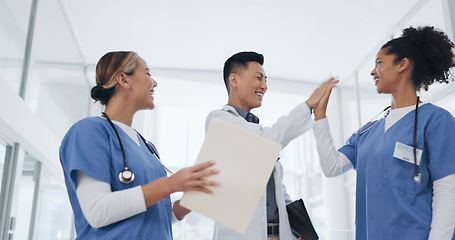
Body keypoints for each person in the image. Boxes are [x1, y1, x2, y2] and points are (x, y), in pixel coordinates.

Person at [313, 26, 455, 239]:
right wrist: (320, 116)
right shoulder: (369, 132)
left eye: (378, 62)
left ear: (402, 64)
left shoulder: (436, 120)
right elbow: (332, 167)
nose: (372, 71)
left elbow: (447, 190)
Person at [59, 51, 219, 239]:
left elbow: (152, 215)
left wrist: (189, 201)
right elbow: (97, 211)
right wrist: (170, 184)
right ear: (124, 80)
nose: (155, 83)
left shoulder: (148, 147)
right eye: (148, 74)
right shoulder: (89, 131)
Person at [206, 51, 338, 240]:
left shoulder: (254, 129)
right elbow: (267, 139)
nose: (264, 86)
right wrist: (309, 105)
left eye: (265, 80)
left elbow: (276, 192)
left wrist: (299, 232)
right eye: (258, 78)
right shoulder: (218, 120)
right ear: (234, 80)